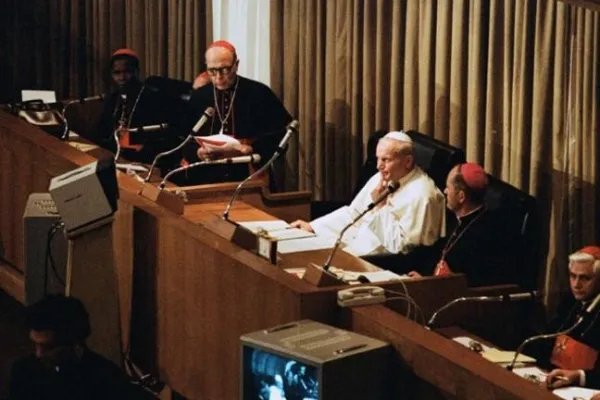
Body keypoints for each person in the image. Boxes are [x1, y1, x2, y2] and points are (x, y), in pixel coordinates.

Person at [291, 131, 445, 257]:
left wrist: (381, 207)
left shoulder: (423, 195)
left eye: (385, 160)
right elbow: (354, 214)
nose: (378, 166)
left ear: (408, 162)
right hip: (356, 245)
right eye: (378, 159)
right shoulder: (383, 177)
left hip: (380, 262)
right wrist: (313, 227)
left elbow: (401, 249)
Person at [181, 40, 293, 185]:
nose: (218, 76)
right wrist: (198, 152)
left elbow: (280, 137)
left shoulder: (259, 93)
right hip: (206, 178)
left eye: (225, 69)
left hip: (249, 175)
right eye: (212, 71)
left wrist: (252, 149)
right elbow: (184, 139)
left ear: (236, 64)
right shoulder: (199, 96)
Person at [8, 294, 154, 399]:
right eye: (35, 344)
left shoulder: (107, 380)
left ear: (75, 343)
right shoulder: (23, 372)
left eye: (49, 347)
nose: (39, 354)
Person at [407, 163, 517, 286]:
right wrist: (424, 278)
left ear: (461, 196)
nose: (445, 191)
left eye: (448, 187)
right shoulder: (452, 217)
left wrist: (441, 281)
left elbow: (481, 279)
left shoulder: (489, 232)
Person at [94, 48, 180, 166]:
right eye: (117, 73)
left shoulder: (154, 98)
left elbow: (163, 136)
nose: (122, 77)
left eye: (127, 72)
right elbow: (102, 130)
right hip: (115, 155)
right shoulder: (112, 98)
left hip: (143, 159)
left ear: (137, 71)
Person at [534, 246, 600, 390]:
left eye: (585, 278)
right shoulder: (570, 301)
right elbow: (548, 339)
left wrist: (578, 376)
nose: (576, 285)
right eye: (572, 276)